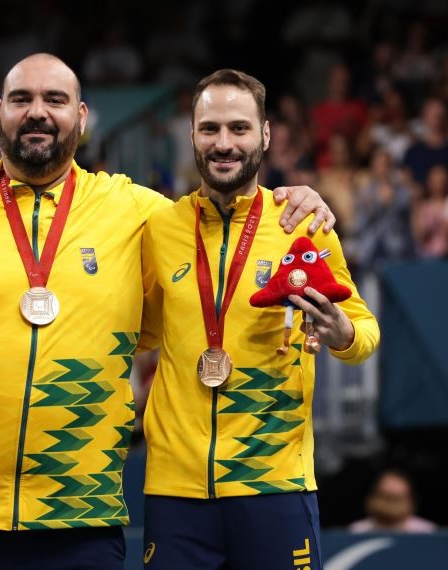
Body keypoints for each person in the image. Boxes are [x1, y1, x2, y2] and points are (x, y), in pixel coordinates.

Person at [0, 54, 335, 570]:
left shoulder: (138, 214)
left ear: (81, 116)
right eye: (22, 99)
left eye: (54, 99)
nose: (38, 112)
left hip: (78, 519)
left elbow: (224, 216)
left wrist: (292, 200)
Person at [139, 69, 380, 569]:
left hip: (274, 484)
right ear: (192, 136)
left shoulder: (303, 224)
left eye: (239, 128)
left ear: (265, 134)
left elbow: (364, 330)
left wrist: (343, 332)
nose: (223, 143)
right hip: (175, 490)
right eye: (210, 129)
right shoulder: (158, 228)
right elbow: (139, 330)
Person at [349, 469, 436, 533]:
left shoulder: (426, 531)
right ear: (373, 498)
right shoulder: (357, 531)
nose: (391, 505)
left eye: (397, 498)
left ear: (410, 499)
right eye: (387, 497)